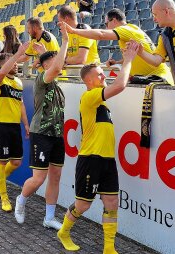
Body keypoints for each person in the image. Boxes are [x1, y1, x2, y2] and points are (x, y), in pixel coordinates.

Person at [57, 42, 139, 253]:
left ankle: (109, 248)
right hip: (90, 159)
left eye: (103, 74)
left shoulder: (102, 103)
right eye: (100, 74)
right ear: (89, 81)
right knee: (83, 205)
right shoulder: (90, 97)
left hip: (107, 160)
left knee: (111, 201)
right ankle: (63, 232)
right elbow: (119, 85)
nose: (104, 77)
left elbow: (118, 83)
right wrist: (127, 60)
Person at [14, 22, 69, 230]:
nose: (60, 65)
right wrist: (64, 40)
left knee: (55, 176)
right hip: (41, 133)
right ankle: (21, 200)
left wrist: (45, 52)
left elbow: (52, 63)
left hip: (56, 134)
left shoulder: (54, 82)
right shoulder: (42, 79)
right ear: (47, 66)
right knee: (39, 178)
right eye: (55, 62)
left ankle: (49, 217)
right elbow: (54, 66)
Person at [61, 8, 174, 84]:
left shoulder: (125, 30)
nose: (106, 27)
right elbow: (136, 56)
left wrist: (73, 31)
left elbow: (101, 35)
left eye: (106, 24)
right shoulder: (131, 29)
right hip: (149, 78)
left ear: (114, 20)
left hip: (157, 79)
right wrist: (118, 62)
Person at [0, 47, 30, 212]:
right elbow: (1, 73)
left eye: (15, 63)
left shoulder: (18, 82)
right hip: (1, 125)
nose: (15, 65)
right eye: (11, 63)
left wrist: (26, 124)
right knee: (1, 161)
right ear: (2, 65)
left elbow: (20, 105)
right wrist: (17, 54)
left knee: (16, 162)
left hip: (14, 127)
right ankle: (4, 197)